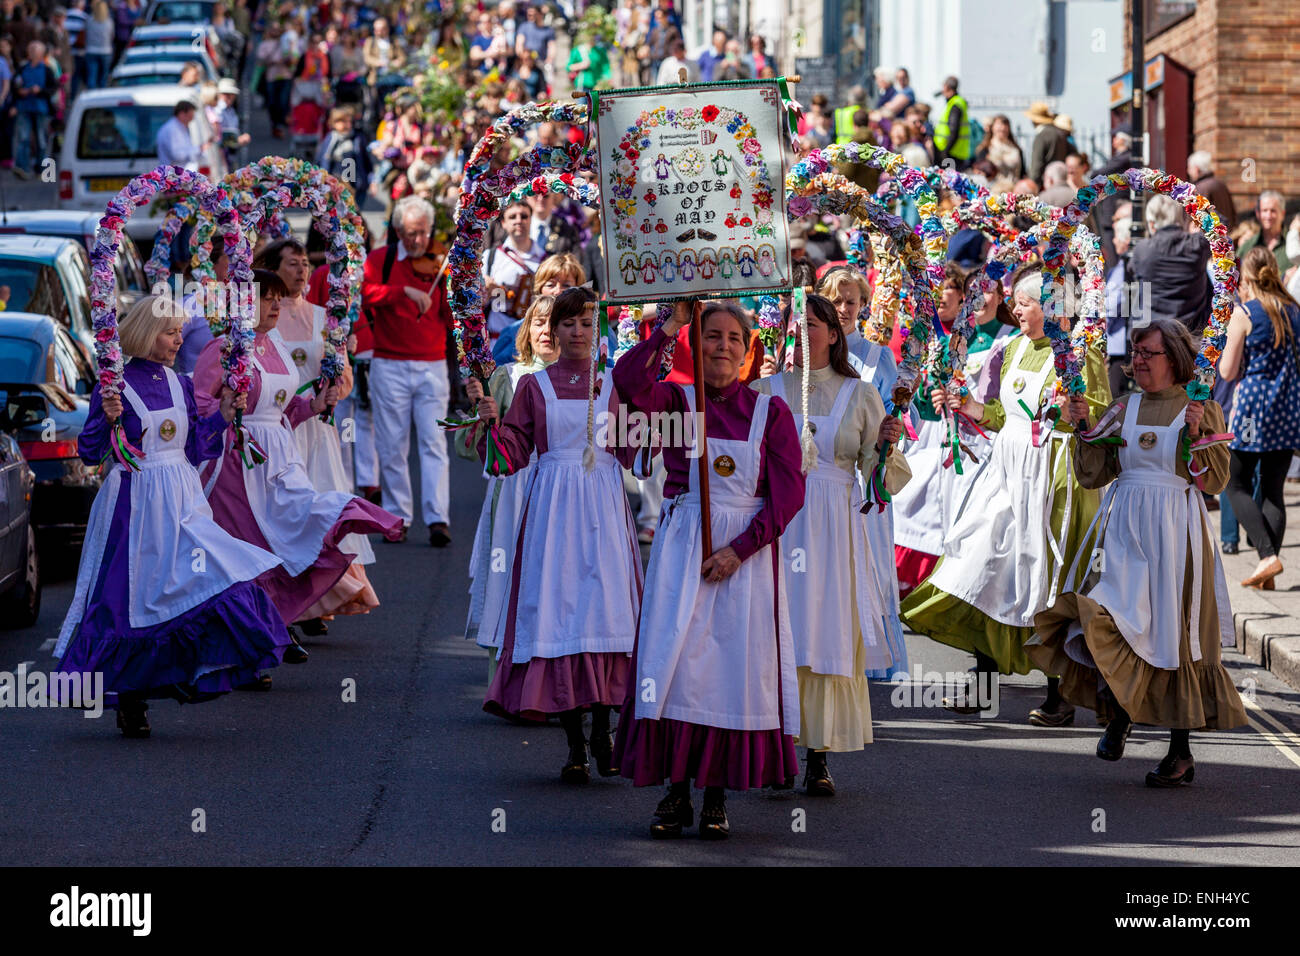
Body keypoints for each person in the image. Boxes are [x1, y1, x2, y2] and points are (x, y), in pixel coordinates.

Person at [55, 295, 292, 736]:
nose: (179, 340)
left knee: (213, 574)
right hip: (133, 503)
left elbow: (195, 448)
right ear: (147, 334)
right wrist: (104, 421)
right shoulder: (114, 387)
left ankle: (194, 666)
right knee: (131, 600)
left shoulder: (179, 383)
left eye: (180, 331)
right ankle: (131, 700)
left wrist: (222, 416)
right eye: (171, 332)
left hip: (182, 498)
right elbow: (90, 454)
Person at [613, 301, 806, 839]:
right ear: (693, 347)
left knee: (729, 673)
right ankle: (675, 793)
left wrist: (739, 550)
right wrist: (670, 324)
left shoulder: (772, 414)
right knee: (675, 665)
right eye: (710, 337)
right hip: (683, 549)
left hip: (744, 559)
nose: (721, 346)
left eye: (733, 339)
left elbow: (787, 499)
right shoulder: (675, 401)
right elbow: (628, 383)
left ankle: (716, 795)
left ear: (749, 353)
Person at [1030, 318, 1247, 786]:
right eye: (1135, 352)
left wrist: (1195, 437)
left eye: (1149, 353)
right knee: (1107, 612)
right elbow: (1094, 472)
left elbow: (1213, 480)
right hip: (1123, 527)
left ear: (1174, 358)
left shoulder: (1199, 406)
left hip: (1174, 530)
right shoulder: (1123, 406)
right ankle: (1120, 713)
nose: (1138, 361)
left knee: (1171, 632)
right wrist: (1082, 425)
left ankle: (1180, 753)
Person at [901, 264, 1112, 723]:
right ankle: (983, 682)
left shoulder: (1080, 353)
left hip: (1054, 478)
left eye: (1026, 302)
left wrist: (1074, 412)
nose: (1015, 308)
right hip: (1006, 471)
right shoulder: (1012, 347)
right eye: (1014, 300)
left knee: (1047, 581)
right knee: (984, 562)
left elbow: (1096, 417)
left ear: (1053, 307)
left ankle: (1057, 697)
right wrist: (969, 406)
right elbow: (1001, 413)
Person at [473, 287, 641, 781]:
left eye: (587, 323)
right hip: (552, 510)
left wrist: (659, 432)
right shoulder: (534, 386)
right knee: (558, 611)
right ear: (554, 329)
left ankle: (603, 732)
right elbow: (511, 455)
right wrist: (491, 426)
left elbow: (635, 452)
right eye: (568, 323)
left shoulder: (613, 384)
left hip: (606, 507)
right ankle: (573, 743)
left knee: (607, 609)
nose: (576, 332)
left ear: (598, 330)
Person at [195, 270, 401, 655]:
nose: (275, 305)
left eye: (278, 298)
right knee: (252, 546)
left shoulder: (273, 345)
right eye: (265, 297)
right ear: (241, 301)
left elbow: (284, 407)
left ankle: (274, 624)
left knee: (292, 533)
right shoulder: (222, 348)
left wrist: (314, 406)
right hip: (237, 460)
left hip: (281, 457)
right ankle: (262, 637)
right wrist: (223, 411)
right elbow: (200, 404)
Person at [752, 294, 907, 795]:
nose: (804, 331)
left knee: (825, 630)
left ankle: (818, 754)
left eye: (814, 324)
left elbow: (876, 479)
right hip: (777, 521)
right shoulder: (763, 390)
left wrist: (886, 445)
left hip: (834, 526)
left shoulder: (860, 394)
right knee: (776, 627)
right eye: (796, 323)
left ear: (834, 334)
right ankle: (772, 741)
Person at [257, 238, 380, 631]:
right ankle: (286, 600)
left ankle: (316, 599)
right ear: (273, 269)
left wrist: (330, 394)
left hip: (316, 429)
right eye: (292, 264)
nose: (301, 271)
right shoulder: (260, 319)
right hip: (277, 429)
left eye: (304, 265)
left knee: (321, 513)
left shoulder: (325, 317)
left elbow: (342, 375)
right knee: (284, 516)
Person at [460, 295, 559, 678]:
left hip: (561, 493)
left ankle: (551, 679)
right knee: (505, 579)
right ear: (526, 332)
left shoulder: (586, 382)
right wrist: (483, 417)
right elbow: (473, 451)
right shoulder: (507, 377)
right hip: (514, 489)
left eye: (556, 323)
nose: (546, 332)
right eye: (538, 323)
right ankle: (501, 679)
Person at [360, 196, 456, 547]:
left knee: (433, 443)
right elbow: (363, 293)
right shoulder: (380, 259)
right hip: (389, 363)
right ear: (397, 231)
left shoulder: (442, 260)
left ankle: (438, 518)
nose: (419, 241)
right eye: (411, 234)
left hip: (432, 363)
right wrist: (402, 292)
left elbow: (450, 313)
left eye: (424, 233)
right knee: (392, 444)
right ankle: (397, 517)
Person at [1218, 246, 1300, 590]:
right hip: (1288, 406)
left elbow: (1227, 369)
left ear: (1247, 279)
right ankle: (1268, 572)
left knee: (1233, 482)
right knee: (1272, 490)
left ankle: (1267, 556)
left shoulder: (1246, 313)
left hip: (1253, 407)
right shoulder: (1295, 312)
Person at [1129, 194, 1212, 333]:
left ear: (1151, 224)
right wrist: (1192, 198)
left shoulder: (1142, 250)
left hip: (1154, 333)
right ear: (1181, 218)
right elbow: (1220, 224)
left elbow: (1132, 269)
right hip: (1191, 334)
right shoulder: (1196, 245)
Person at [491, 252, 582, 366]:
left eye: (566, 285)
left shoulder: (592, 330)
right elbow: (496, 376)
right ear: (539, 290)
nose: (558, 291)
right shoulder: (514, 332)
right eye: (551, 285)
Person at [483, 199, 545, 343]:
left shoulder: (545, 259)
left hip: (531, 343)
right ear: (503, 223)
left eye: (524, 216)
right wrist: (484, 290)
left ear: (531, 219)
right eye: (512, 217)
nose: (519, 221)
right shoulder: (490, 257)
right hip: (496, 342)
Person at [12, 40, 53, 181]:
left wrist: (40, 90)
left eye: (35, 52)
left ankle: (44, 171)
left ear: (41, 54)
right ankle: (22, 168)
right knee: (23, 138)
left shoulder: (47, 70)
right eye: (31, 51)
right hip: (25, 107)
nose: (32, 54)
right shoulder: (23, 68)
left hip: (41, 108)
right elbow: (15, 85)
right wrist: (19, 92)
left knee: (42, 140)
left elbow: (52, 88)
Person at [1238, 190, 1292, 274]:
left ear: (1282, 214)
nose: (1268, 216)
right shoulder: (1247, 247)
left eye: (1273, 211)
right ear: (1258, 214)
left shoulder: (1294, 244)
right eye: (1264, 210)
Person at [1186, 151, 1238, 233]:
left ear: (1196, 169)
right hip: (1226, 236)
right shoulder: (1221, 184)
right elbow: (1233, 214)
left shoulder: (1199, 189)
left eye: (1189, 168)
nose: (1188, 171)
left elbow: (1196, 220)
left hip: (1209, 240)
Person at [974, 114, 1025, 192]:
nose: (1002, 128)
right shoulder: (985, 149)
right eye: (999, 125)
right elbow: (979, 173)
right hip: (992, 191)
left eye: (1005, 125)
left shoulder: (1016, 150)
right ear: (993, 128)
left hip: (1014, 190)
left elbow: (1023, 173)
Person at [1025, 101, 1069, 187]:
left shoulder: (1042, 136)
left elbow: (1037, 165)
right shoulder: (1060, 133)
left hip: (1046, 184)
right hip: (1061, 180)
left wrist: (1033, 186)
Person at [932, 75, 971, 169]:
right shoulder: (957, 102)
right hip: (955, 152)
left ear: (946, 87)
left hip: (951, 154)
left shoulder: (955, 105)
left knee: (949, 181)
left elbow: (954, 130)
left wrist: (945, 152)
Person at [154, 99, 203, 171]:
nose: (191, 119)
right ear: (182, 114)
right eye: (189, 117)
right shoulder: (172, 129)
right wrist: (199, 149)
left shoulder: (178, 127)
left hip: (178, 174)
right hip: (173, 175)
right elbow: (177, 155)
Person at [82, 0, 112, 91]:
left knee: (92, 76)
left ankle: (92, 96)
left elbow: (85, 33)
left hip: (91, 50)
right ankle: (102, 96)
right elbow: (112, 35)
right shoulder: (109, 22)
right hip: (105, 51)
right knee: (103, 77)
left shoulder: (89, 20)